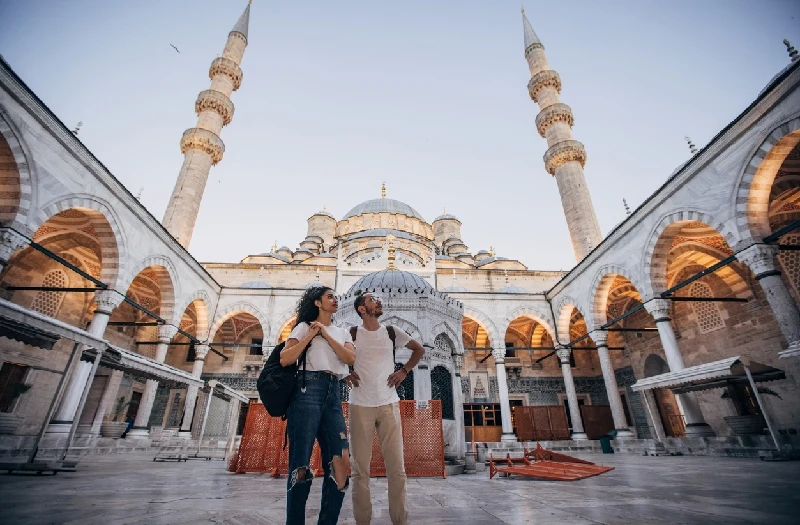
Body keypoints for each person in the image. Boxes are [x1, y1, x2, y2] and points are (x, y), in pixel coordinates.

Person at [345, 292, 425, 525]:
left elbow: (419, 350)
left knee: (397, 470)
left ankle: (400, 521)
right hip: (360, 405)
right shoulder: (351, 334)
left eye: (378, 299)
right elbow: (335, 357)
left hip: (389, 404)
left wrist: (404, 371)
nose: (378, 301)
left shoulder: (392, 332)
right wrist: (344, 373)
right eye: (371, 299)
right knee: (360, 472)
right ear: (361, 308)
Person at [281, 286, 356, 525]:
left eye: (336, 296)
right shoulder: (303, 327)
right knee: (300, 463)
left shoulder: (342, 332)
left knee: (341, 462)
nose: (335, 300)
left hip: (333, 393)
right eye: (330, 296)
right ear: (317, 303)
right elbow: (286, 358)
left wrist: (325, 334)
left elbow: (350, 359)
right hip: (307, 391)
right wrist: (312, 335)